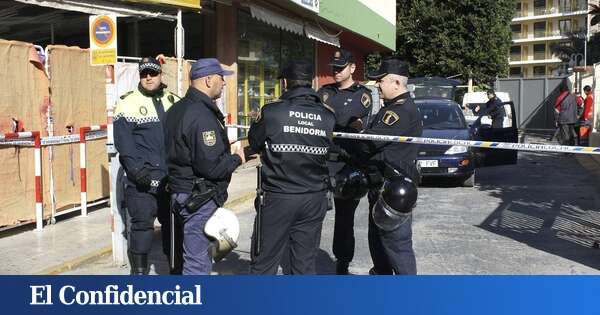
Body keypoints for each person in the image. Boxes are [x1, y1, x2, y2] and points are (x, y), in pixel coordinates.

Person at [248, 60, 336, 275]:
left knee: (264, 263)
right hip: (314, 197)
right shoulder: (327, 115)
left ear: (286, 82)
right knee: (304, 265)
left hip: (280, 196)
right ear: (309, 83)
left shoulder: (272, 112)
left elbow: (255, 142)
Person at [164, 58, 249, 275]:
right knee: (197, 264)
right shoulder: (202, 115)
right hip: (198, 198)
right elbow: (211, 167)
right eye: (222, 78)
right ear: (209, 80)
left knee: (189, 258)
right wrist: (238, 158)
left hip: (181, 191)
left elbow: (183, 151)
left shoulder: (176, 109)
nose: (224, 83)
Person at [351, 56, 423, 275]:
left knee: (396, 248)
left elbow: (369, 144)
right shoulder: (393, 107)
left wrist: (354, 137)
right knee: (380, 246)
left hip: (393, 190)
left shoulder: (399, 111)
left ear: (397, 83)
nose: (377, 85)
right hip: (383, 187)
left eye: (381, 81)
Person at [113, 57, 180, 275]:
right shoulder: (127, 103)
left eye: (152, 73)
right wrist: (137, 172)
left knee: (173, 227)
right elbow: (125, 144)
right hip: (141, 181)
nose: (148, 77)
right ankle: (138, 275)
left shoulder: (174, 101)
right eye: (144, 74)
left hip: (170, 180)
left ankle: (175, 272)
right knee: (142, 227)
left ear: (161, 74)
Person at [317, 49, 373, 275]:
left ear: (352, 68)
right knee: (312, 214)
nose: (336, 71)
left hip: (347, 163)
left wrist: (327, 114)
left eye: (341, 68)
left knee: (344, 219)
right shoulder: (324, 91)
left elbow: (345, 119)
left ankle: (342, 262)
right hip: (322, 161)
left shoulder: (362, 94)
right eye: (334, 67)